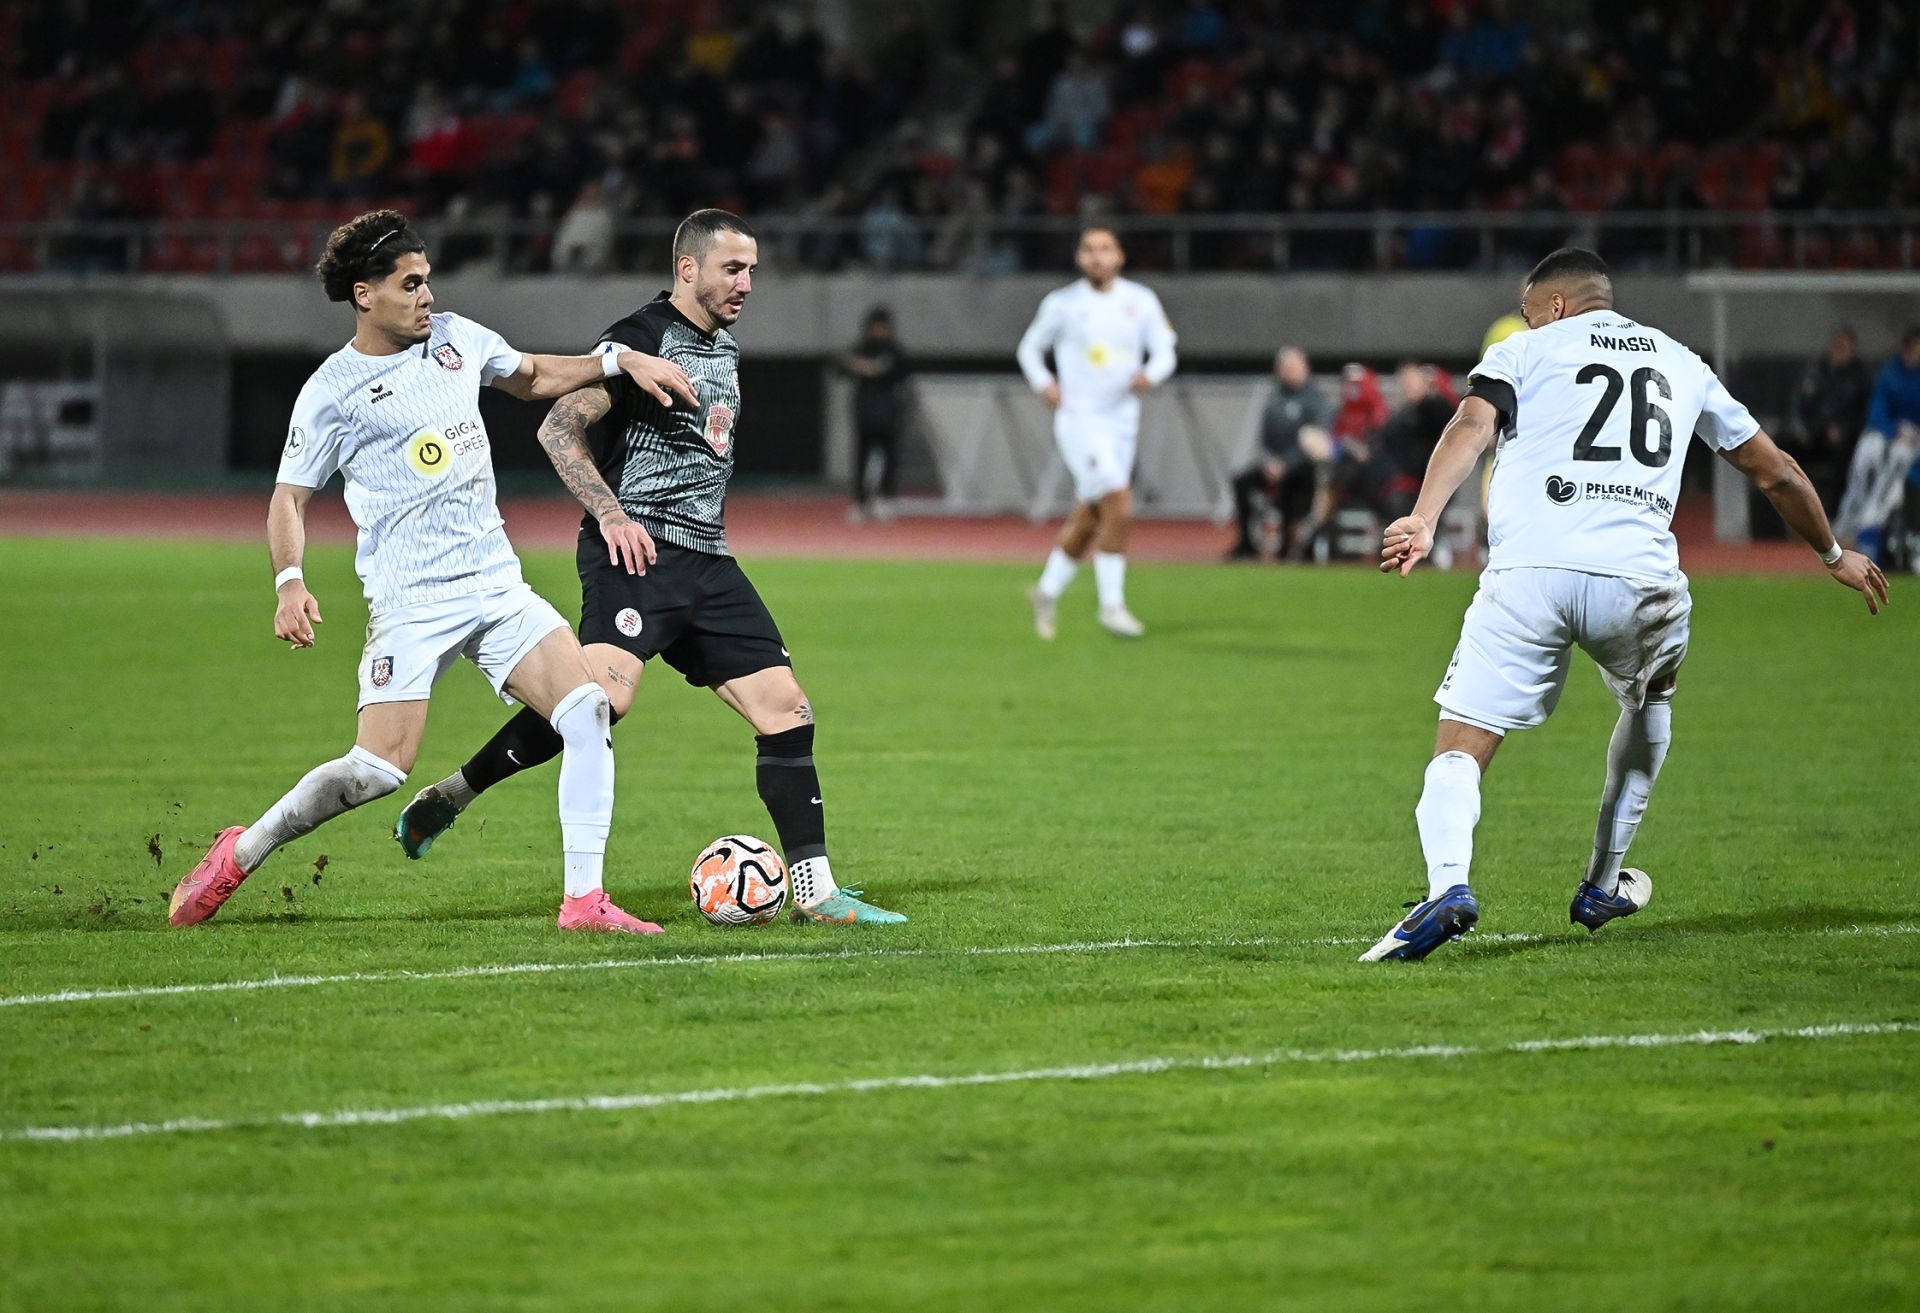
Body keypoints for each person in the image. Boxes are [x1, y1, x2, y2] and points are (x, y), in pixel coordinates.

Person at [169, 209, 698, 933]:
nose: (427, 296)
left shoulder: (456, 338)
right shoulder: (333, 390)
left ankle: (584, 902)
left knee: (586, 710)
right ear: (365, 295)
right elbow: (289, 498)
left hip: (495, 584)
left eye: (427, 280)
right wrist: (289, 581)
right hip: (411, 600)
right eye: (410, 284)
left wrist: (615, 361)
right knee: (377, 770)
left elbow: (531, 375)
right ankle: (241, 850)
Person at [1365, 248, 1887, 962]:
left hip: (1529, 573)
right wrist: (1832, 553)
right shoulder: (1681, 361)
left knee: (1462, 742)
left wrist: (1424, 518)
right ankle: (1603, 882)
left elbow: (1470, 426)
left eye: (1529, 311)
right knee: (1651, 701)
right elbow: (1777, 472)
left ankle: (1448, 885)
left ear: (1554, 306)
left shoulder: (1524, 350)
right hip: (1640, 582)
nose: (1527, 322)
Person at [394, 209, 906, 925]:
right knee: (598, 702)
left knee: (787, 708)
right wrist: (610, 514)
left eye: (752, 270)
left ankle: (815, 892)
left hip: (709, 560)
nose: (747, 283)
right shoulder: (641, 338)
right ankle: (454, 794)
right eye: (733, 268)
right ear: (688, 268)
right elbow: (557, 428)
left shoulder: (724, 348)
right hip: (635, 554)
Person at [1017, 225, 1178, 638]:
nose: (1097, 256)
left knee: (1091, 517)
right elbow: (1029, 348)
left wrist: (1152, 374)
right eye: (1089, 249)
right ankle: (1112, 606)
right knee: (1119, 505)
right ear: (1079, 258)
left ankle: (1046, 592)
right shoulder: (1063, 304)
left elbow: (1165, 350)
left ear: (1119, 256)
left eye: (1105, 248)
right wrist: (1044, 383)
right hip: (1080, 421)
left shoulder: (1140, 300)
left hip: (1122, 421)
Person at [1226, 346, 1333, 560]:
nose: (1288, 371)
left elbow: (1315, 440)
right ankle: (1247, 542)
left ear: (1304, 368)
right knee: (1241, 481)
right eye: (1284, 367)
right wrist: (1268, 462)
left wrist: (1287, 464)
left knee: (1291, 485)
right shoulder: (1274, 399)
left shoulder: (1315, 401)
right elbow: (1263, 440)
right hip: (1273, 465)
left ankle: (1287, 544)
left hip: (1301, 468)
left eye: (1293, 367)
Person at [1833, 326, 1920, 565]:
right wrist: (1893, 430)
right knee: (1868, 451)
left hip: (1913, 442)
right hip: (1892, 433)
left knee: (1900, 457)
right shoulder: (1890, 374)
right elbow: (1877, 411)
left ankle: (1872, 520)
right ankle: (1847, 520)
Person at [1783, 325, 1873, 514]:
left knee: (1843, 458)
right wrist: (1801, 427)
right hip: (1814, 432)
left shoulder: (1860, 377)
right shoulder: (1817, 371)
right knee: (1781, 449)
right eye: (1837, 345)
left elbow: (1863, 414)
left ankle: (1833, 513)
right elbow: (1801, 402)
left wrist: (1844, 430)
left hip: (1844, 439)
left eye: (1844, 346)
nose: (1839, 350)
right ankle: (1789, 507)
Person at [841, 307, 911, 522]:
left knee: (889, 456)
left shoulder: (894, 351)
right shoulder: (861, 348)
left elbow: (902, 373)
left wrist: (872, 369)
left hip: (888, 412)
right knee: (861, 457)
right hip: (865, 412)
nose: (879, 331)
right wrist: (861, 367)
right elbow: (842, 367)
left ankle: (886, 498)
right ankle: (861, 501)